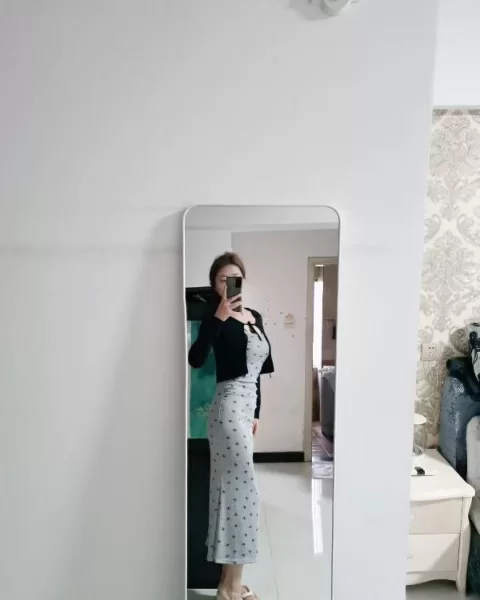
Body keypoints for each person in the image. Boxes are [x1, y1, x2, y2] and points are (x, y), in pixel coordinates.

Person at [188, 252, 274, 600]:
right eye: (223, 279)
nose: (229, 284)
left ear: (243, 281)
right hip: (226, 409)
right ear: (214, 284)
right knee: (243, 494)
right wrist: (219, 317)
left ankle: (228, 584)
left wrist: (257, 413)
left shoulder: (255, 317)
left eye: (235, 278)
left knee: (235, 494)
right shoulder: (215, 318)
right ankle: (230, 587)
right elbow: (196, 358)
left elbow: (258, 373)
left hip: (246, 409)